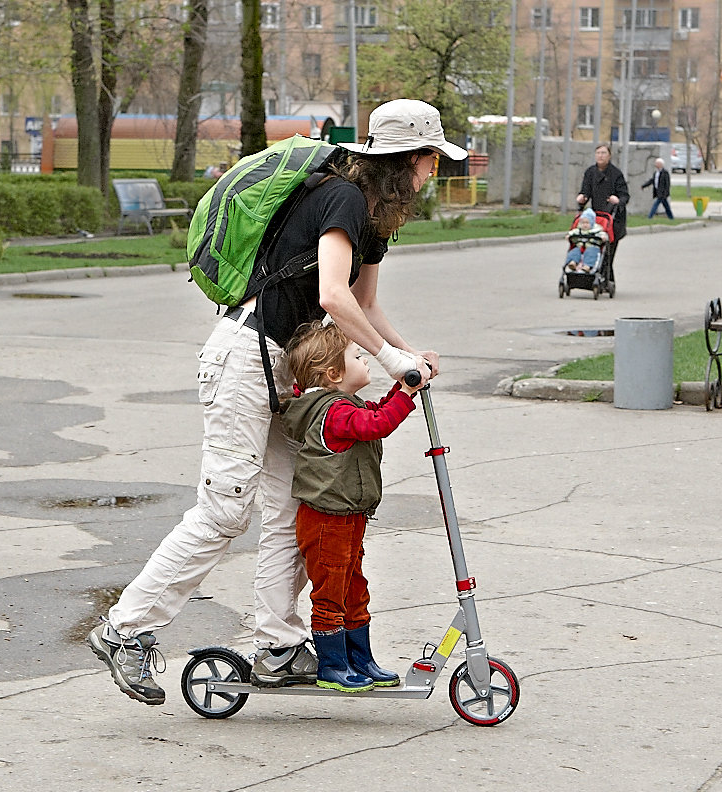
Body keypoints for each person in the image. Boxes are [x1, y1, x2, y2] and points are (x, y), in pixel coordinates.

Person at [87, 98, 465, 706]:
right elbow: (333, 296)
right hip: (243, 358)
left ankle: (279, 644)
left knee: (296, 503)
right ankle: (124, 630)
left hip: (284, 370)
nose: (433, 174)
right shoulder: (342, 197)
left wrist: (409, 352)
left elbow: (365, 308)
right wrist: (393, 364)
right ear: (407, 159)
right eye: (430, 161)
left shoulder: (372, 220)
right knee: (225, 510)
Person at [280, 320, 424, 692]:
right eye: (358, 356)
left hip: (348, 516)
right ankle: (332, 665)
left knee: (355, 586)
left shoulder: (344, 404)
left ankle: (360, 658)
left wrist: (402, 387)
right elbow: (375, 424)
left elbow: (376, 411)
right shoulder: (335, 413)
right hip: (327, 519)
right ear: (333, 373)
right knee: (331, 589)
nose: (366, 361)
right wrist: (406, 393)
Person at [576, 143, 628, 245]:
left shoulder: (616, 173)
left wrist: (617, 200)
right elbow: (585, 191)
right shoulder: (590, 172)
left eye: (603, 153)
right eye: (598, 153)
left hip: (613, 216)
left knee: (608, 250)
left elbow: (625, 195)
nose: (600, 155)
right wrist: (582, 198)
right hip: (596, 215)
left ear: (609, 156)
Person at [564, 208, 609, 273]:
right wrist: (568, 235)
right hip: (580, 247)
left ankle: (587, 266)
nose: (585, 225)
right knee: (574, 251)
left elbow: (603, 234)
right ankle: (573, 262)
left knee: (591, 253)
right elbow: (572, 233)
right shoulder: (578, 230)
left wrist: (603, 237)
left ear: (592, 223)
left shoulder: (596, 230)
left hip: (592, 247)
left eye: (587, 223)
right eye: (583, 223)